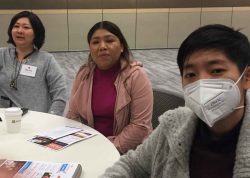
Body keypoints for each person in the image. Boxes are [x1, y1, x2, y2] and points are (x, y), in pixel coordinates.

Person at [101, 24, 250, 177]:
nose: (201, 82)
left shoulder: (135, 76)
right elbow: (133, 165)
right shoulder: (173, 124)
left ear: (246, 77)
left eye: (216, 71)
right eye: (191, 74)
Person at [67, 21, 153, 154]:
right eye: (95, 42)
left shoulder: (136, 76)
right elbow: (72, 115)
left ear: (122, 46)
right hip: (90, 146)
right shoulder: (84, 74)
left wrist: (106, 149)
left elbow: (140, 127)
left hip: (127, 152)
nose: (102, 47)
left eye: (109, 40)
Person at [0, 11, 67, 116]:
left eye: (26, 27)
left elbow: (60, 94)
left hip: (37, 121)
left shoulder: (46, 60)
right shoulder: (2, 55)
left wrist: (51, 119)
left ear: (36, 33)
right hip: (6, 120)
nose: (20, 31)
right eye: (16, 26)